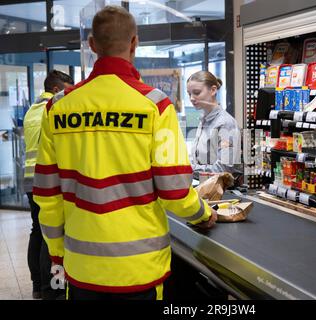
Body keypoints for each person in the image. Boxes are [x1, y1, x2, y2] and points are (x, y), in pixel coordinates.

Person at [33, 5, 217, 301]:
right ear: (135, 43)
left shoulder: (57, 108)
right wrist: (203, 214)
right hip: (140, 269)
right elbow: (174, 190)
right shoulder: (156, 106)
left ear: (92, 45)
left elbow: (47, 195)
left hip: (82, 268)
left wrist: (57, 253)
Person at [23, 70, 74, 300]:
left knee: (37, 231)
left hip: (28, 180)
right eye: (66, 88)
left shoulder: (31, 110)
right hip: (46, 180)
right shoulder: (51, 108)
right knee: (51, 237)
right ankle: (51, 290)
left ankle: (38, 286)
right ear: (56, 89)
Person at [187, 71, 242, 180]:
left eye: (196, 92)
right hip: (205, 188)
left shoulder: (226, 123)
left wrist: (188, 169)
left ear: (213, 90)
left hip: (223, 193)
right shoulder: (203, 120)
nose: (192, 98)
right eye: (189, 94)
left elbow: (223, 169)